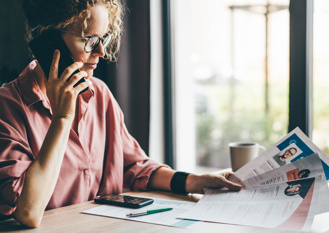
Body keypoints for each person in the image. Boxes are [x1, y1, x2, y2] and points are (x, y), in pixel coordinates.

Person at [0, 0, 242, 228]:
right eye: (89, 40)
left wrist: (195, 181)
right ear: (49, 39)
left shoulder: (100, 94)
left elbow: (135, 166)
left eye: (102, 38)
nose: (101, 51)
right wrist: (62, 118)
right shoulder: (8, 106)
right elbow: (28, 212)